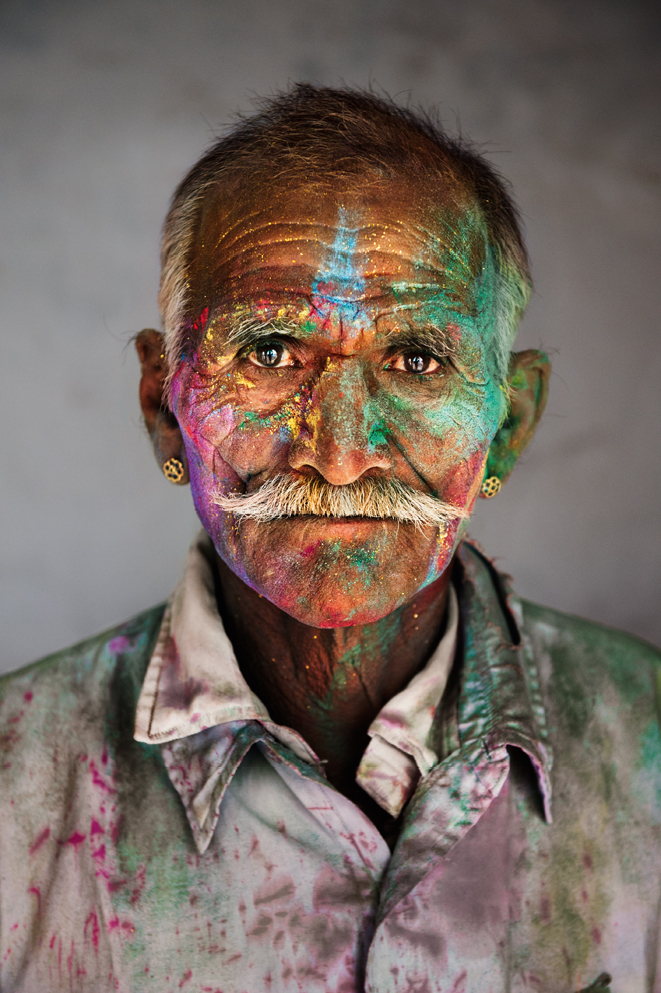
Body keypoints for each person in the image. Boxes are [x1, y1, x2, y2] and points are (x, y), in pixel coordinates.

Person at [0, 84, 658, 993]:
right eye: (270, 351)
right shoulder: (12, 786)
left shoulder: (649, 742)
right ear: (164, 407)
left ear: (507, 421)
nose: (341, 456)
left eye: (417, 359)